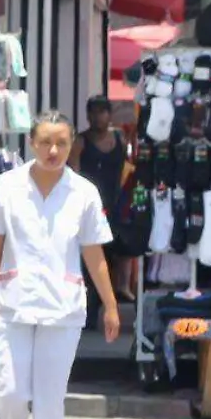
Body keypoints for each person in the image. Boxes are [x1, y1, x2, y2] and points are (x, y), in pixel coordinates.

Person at [0, 113, 120, 419]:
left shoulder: (84, 193)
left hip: (63, 307)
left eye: (61, 143)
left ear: (72, 144)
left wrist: (110, 303)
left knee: (51, 399)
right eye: (45, 142)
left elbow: (94, 251)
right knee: (9, 390)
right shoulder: (6, 187)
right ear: (31, 144)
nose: (53, 151)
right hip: (11, 302)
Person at [75, 95, 133, 303]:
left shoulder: (120, 138)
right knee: (92, 256)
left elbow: (129, 167)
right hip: (90, 206)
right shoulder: (81, 141)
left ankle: (122, 287)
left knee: (122, 249)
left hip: (117, 203)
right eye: (94, 112)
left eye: (102, 112)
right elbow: (73, 174)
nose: (98, 117)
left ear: (109, 115)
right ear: (88, 116)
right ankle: (91, 306)